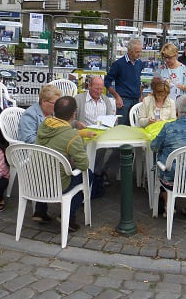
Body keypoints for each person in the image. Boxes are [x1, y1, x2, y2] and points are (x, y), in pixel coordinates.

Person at [35, 96, 92, 232]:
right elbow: (83, 164)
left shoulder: (44, 124)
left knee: (47, 167)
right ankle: (68, 216)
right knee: (87, 175)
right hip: (57, 185)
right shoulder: (72, 137)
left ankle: (40, 211)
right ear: (74, 114)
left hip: (35, 180)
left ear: (55, 111)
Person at [105, 38, 144, 125]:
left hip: (136, 100)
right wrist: (117, 97)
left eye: (140, 52)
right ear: (129, 51)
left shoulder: (139, 63)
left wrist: (141, 95)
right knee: (122, 127)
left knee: (134, 126)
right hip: (123, 100)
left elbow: (138, 80)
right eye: (137, 52)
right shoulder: (118, 64)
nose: (139, 54)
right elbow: (107, 82)